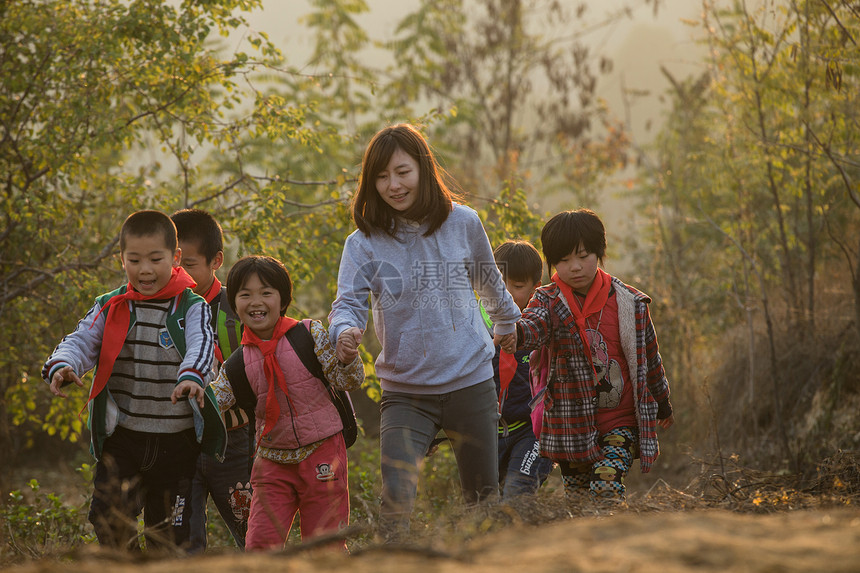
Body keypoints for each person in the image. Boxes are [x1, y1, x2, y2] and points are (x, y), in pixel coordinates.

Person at [328, 123, 521, 539]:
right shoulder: (362, 244)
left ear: (423, 168)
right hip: (405, 391)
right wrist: (344, 331)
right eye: (381, 177)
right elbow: (347, 304)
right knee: (395, 502)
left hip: (470, 381)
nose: (393, 185)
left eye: (402, 172)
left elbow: (489, 281)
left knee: (483, 501)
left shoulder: (463, 222)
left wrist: (507, 322)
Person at [42, 210, 226, 552]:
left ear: (175, 258)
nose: (145, 269)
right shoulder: (111, 304)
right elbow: (81, 339)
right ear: (121, 260)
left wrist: (192, 377)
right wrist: (64, 364)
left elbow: (202, 346)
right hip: (124, 439)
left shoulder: (192, 306)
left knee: (170, 536)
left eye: (156, 259)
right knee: (107, 518)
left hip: (177, 442)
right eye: (135, 259)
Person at [174, 255, 364, 551]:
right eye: (245, 294)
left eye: (266, 293)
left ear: (283, 299)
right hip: (271, 463)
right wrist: (192, 393)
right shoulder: (237, 364)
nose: (256, 302)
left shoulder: (309, 334)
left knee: (325, 546)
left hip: (323, 453)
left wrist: (348, 358)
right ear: (234, 303)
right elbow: (214, 400)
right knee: (260, 546)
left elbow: (346, 382)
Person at [515, 208, 674, 502]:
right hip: (570, 424)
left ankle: (615, 542)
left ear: (599, 253)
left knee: (605, 487)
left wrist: (662, 403)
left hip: (619, 420)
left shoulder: (630, 304)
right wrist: (516, 334)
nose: (574, 267)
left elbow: (650, 359)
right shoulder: (547, 301)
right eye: (564, 260)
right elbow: (532, 324)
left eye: (583, 256)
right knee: (578, 499)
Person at [171, 208, 252, 553]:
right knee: (181, 542)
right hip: (174, 442)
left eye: (188, 264)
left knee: (252, 535)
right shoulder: (160, 307)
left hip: (234, 442)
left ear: (216, 260)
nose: (178, 273)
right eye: (172, 263)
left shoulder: (239, 308)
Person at [487, 240, 553, 500]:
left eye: (516, 286)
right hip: (486, 435)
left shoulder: (541, 327)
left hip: (531, 434)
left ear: (535, 288)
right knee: (483, 506)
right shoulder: (472, 324)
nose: (506, 294)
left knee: (516, 497)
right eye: (499, 285)